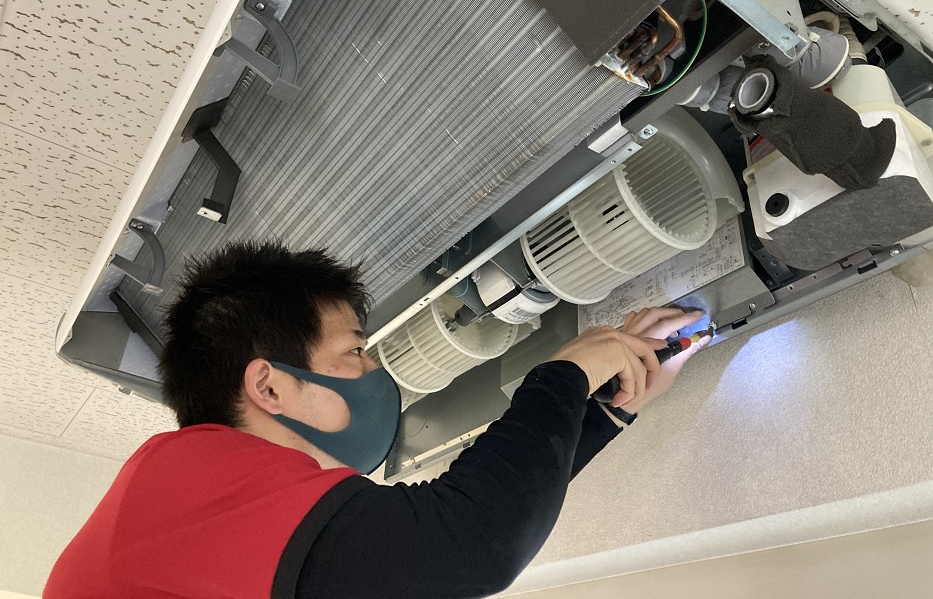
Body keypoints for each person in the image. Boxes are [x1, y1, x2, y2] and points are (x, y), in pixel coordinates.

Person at [44, 240, 710, 599]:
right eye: (354, 352)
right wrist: (564, 375)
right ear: (268, 386)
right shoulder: (177, 483)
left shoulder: (188, 501)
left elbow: (447, 526)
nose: (373, 371)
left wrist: (603, 410)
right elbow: (467, 543)